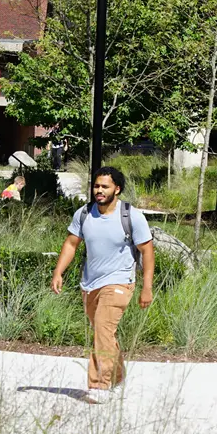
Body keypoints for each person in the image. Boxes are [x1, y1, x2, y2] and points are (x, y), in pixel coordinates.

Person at [50, 166, 155, 404]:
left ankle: (99, 385)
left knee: (102, 328)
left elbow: (147, 251)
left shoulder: (131, 216)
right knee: (103, 333)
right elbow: (71, 244)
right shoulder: (84, 214)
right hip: (90, 283)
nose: (99, 190)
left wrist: (146, 287)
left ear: (117, 189)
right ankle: (117, 377)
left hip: (120, 282)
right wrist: (58, 272)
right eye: (96, 186)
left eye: (104, 186)